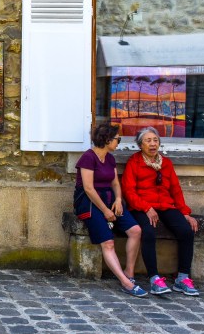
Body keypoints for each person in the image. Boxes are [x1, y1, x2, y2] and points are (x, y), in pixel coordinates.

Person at [121, 126, 200, 296]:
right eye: (148, 141)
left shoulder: (166, 163)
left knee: (186, 231)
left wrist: (185, 213)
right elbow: (128, 191)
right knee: (148, 232)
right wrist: (146, 208)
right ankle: (154, 278)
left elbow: (176, 190)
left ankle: (182, 278)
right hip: (142, 206)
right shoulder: (134, 162)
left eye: (155, 140)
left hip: (165, 205)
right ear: (140, 145)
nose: (152, 144)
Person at [74, 123, 146, 297]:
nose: (118, 142)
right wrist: (106, 210)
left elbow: (114, 183)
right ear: (106, 140)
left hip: (110, 199)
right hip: (90, 201)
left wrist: (119, 200)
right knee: (108, 242)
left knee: (136, 230)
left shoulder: (110, 158)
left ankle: (129, 272)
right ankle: (125, 282)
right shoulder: (88, 158)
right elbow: (89, 188)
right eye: (117, 139)